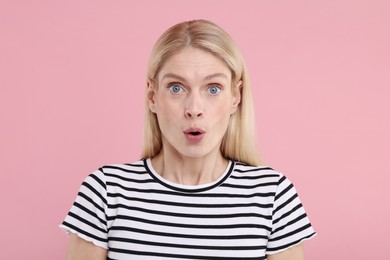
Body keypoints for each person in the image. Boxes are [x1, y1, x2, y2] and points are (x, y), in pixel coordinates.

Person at [60, 19, 316, 260]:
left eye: (213, 89)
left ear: (235, 98)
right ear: (152, 97)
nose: (194, 108)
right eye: (176, 88)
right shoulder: (105, 192)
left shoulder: (273, 197)